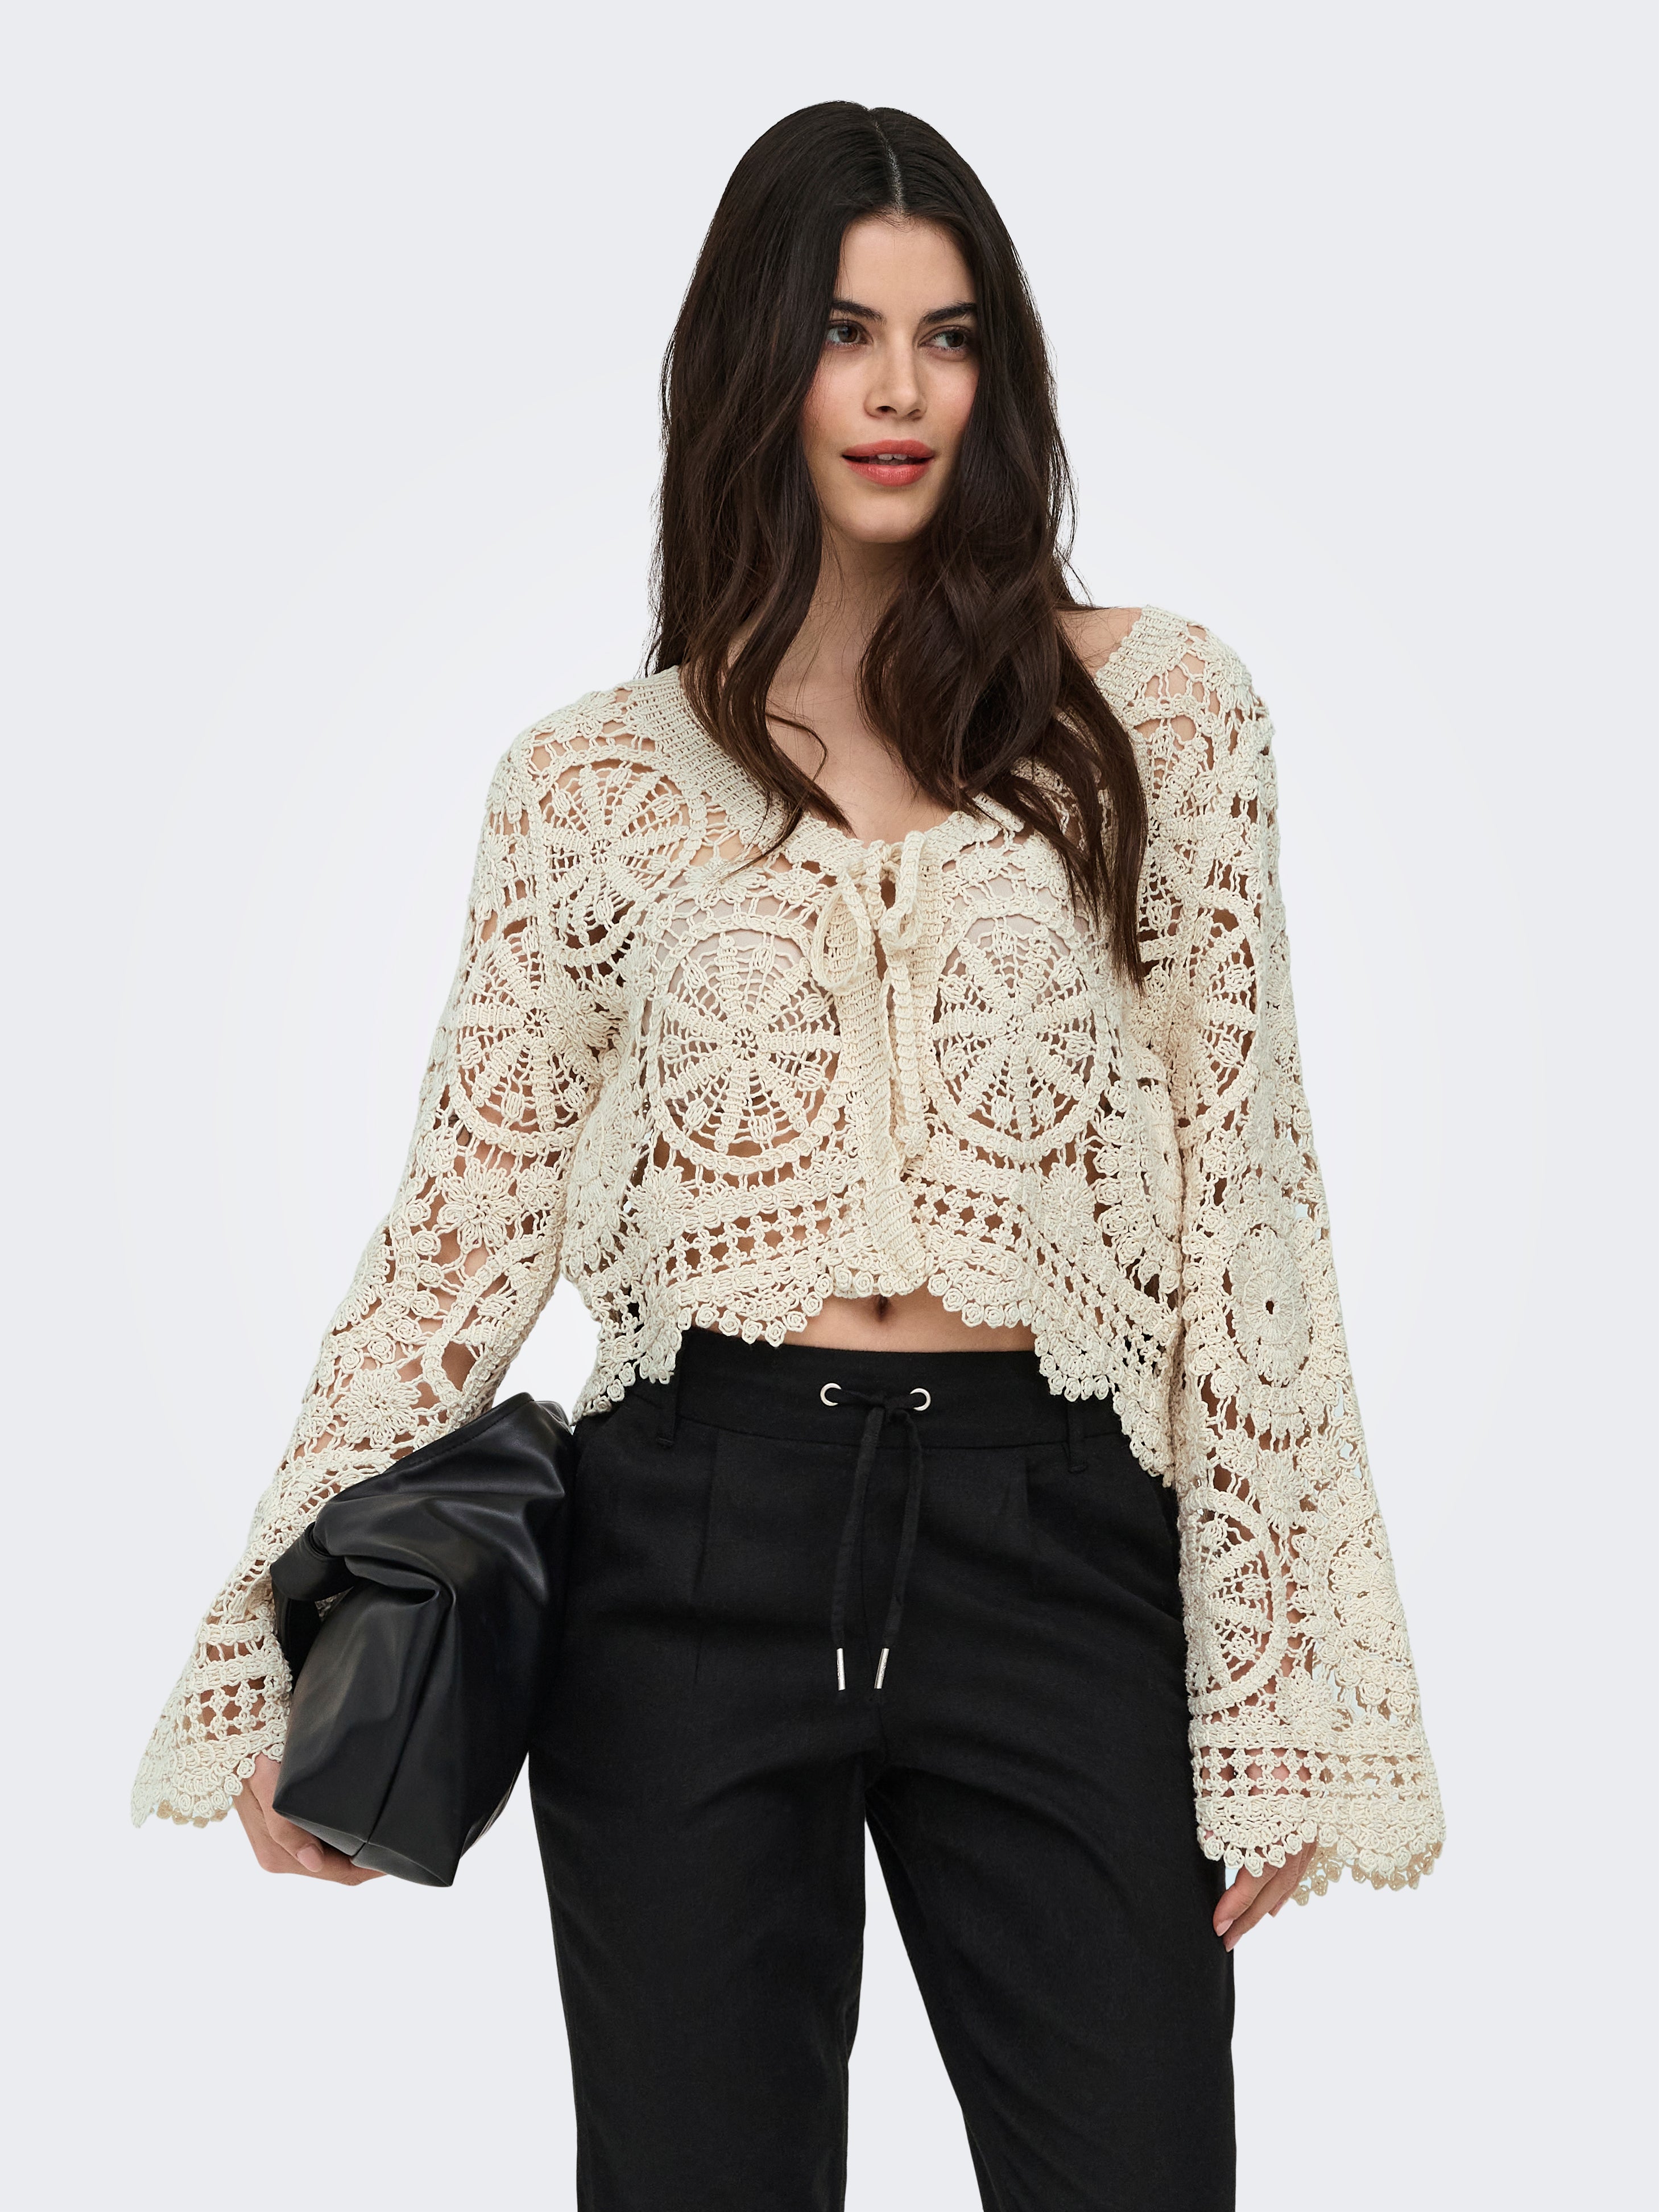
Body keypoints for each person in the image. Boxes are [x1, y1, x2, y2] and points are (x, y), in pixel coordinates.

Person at [134, 101, 1443, 2211]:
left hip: (1058, 1542)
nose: (903, 390)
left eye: (950, 335)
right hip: (690, 1544)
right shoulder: (590, 785)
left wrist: (1285, 1671)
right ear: (760, 362)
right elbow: (456, 1238)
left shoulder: (1167, 719)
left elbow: (1253, 1208)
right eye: (848, 332)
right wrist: (266, 1644)